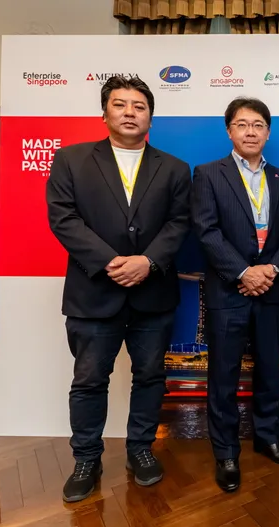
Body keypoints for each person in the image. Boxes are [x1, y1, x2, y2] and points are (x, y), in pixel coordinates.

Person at [46, 76, 191, 503]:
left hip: (153, 292)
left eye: (139, 106)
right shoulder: (71, 160)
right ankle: (86, 459)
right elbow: (63, 218)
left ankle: (140, 450)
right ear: (104, 113)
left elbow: (180, 222)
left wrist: (148, 261)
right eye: (120, 104)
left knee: (150, 376)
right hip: (94, 292)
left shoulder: (174, 168)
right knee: (89, 380)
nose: (130, 112)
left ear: (150, 117)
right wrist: (111, 261)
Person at [191, 97, 279, 493]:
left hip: (270, 288)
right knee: (224, 374)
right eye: (242, 124)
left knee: (269, 368)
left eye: (258, 125)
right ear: (229, 131)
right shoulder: (208, 174)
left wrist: (270, 271)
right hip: (229, 289)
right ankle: (225, 451)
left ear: (268, 132)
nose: (250, 131)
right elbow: (206, 231)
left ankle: (267, 437)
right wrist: (243, 272)